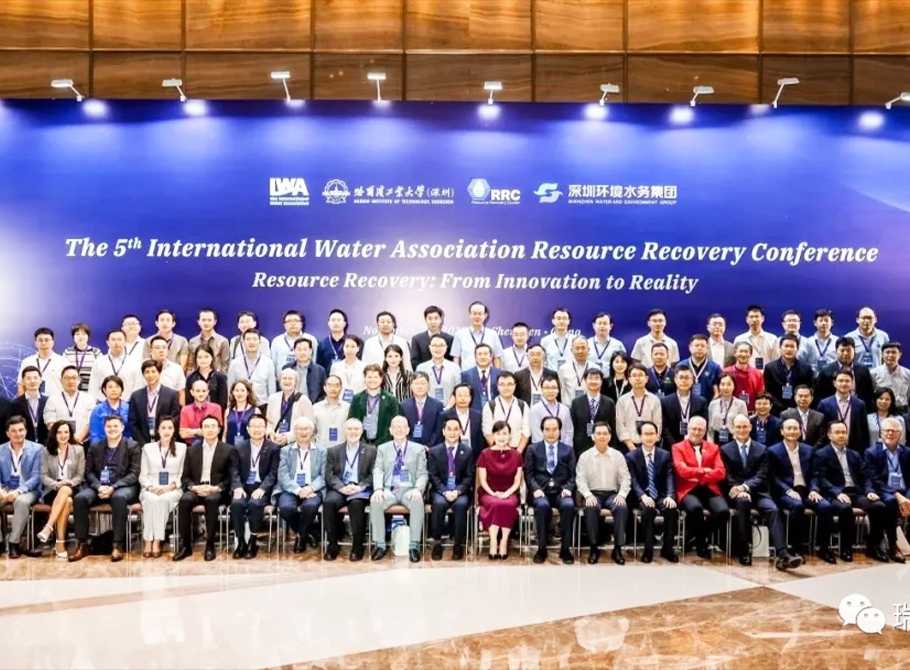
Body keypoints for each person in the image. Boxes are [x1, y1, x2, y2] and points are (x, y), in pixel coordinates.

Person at [720, 414, 801, 570]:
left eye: (745, 426)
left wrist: (745, 487)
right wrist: (739, 489)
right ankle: (744, 550)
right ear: (733, 429)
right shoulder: (725, 449)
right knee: (743, 503)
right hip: (736, 493)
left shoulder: (762, 449)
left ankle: (783, 554)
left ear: (750, 427)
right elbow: (727, 475)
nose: (742, 429)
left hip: (758, 491)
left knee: (773, 509)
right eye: (738, 427)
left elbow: (762, 475)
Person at [69, 415, 141, 562]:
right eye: (109, 426)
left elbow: (134, 474)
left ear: (122, 428)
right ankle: (82, 544)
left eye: (115, 426)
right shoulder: (95, 446)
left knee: (118, 498)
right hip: (99, 486)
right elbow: (88, 472)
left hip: (123, 486)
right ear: (104, 428)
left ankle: (117, 545)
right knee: (80, 498)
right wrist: (98, 487)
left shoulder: (132, 446)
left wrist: (113, 487)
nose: (112, 429)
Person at [815, 420, 889, 562]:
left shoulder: (854, 454)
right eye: (837, 432)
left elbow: (865, 476)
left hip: (855, 492)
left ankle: (873, 546)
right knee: (845, 509)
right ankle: (845, 548)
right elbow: (821, 478)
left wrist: (869, 491)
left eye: (844, 432)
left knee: (879, 507)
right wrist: (837, 493)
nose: (841, 435)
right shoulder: (821, 454)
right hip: (834, 493)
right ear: (829, 435)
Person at [768, 418, 836, 563]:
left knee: (826, 507)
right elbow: (773, 477)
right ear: (782, 431)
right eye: (788, 428)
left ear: (800, 432)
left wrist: (814, 489)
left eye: (795, 428)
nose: (792, 431)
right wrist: (787, 490)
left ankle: (824, 547)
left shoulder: (809, 450)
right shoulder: (773, 451)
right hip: (787, 492)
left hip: (807, 491)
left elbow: (814, 474)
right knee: (797, 506)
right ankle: (795, 548)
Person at [173, 415, 236, 562]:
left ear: (219, 429)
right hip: (197, 488)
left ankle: (210, 545)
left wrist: (216, 488)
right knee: (185, 500)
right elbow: (185, 476)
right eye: (206, 426)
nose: (209, 429)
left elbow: (230, 477)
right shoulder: (191, 450)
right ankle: (185, 546)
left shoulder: (228, 450)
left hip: (216, 491)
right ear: (201, 429)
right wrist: (193, 487)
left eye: (213, 426)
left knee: (211, 501)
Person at [369, 416, 428, 563]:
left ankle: (414, 546)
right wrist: (378, 489)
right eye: (395, 427)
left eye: (402, 427)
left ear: (408, 430)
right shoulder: (382, 448)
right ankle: (380, 545)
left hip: (409, 489)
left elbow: (422, 473)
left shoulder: (418, 449)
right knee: (375, 501)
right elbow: (378, 470)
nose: (399, 429)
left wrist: (418, 489)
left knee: (417, 501)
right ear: (390, 430)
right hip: (389, 489)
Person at [672, 416, 729, 559]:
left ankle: (699, 537)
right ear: (688, 429)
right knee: (695, 509)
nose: (696, 432)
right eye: (694, 429)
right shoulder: (677, 447)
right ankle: (701, 545)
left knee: (723, 512)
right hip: (688, 489)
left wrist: (697, 475)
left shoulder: (714, 448)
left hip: (709, 488)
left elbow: (721, 472)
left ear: (705, 431)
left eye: (700, 429)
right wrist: (704, 470)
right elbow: (682, 471)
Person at [526, 416, 577, 565]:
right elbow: (528, 474)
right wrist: (535, 488)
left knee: (568, 505)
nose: (551, 433)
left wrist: (568, 488)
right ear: (542, 431)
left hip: (561, 491)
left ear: (560, 431)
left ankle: (565, 549)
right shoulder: (532, 449)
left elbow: (574, 474)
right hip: (541, 491)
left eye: (555, 429)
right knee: (542, 506)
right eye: (547, 429)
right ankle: (542, 548)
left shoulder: (568, 450)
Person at [322, 418, 376, 561]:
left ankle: (357, 546)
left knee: (356, 504)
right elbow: (329, 475)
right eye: (349, 429)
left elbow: (374, 474)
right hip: (341, 488)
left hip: (360, 488)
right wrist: (341, 487)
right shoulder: (333, 451)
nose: (353, 432)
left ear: (362, 431)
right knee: (328, 503)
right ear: (344, 431)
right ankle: (332, 545)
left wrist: (360, 486)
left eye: (356, 429)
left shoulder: (371, 451)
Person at [625, 421, 678, 563]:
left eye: (652, 434)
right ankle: (648, 550)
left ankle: (667, 549)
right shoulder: (631, 456)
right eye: (646, 434)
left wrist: (670, 495)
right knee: (647, 511)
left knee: (671, 509)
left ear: (657, 436)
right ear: (640, 437)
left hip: (660, 495)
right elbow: (632, 480)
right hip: (642, 495)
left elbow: (669, 477)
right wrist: (642, 496)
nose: (649, 437)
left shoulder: (664, 455)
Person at [229, 414, 280, 559]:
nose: (257, 429)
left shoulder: (274, 448)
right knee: (237, 504)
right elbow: (234, 471)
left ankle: (252, 540)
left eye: (260, 426)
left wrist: (263, 488)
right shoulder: (238, 448)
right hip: (244, 487)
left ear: (265, 428)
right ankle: (241, 542)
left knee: (255, 504)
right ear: (248, 429)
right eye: (254, 426)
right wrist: (237, 487)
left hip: (262, 488)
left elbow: (273, 473)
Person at [138, 416, 186, 558]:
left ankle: (157, 541)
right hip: (150, 487)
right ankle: (148, 540)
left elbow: (183, 473)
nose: (166, 431)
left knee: (162, 500)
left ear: (174, 430)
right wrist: (150, 487)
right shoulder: (148, 448)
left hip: (173, 488)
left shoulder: (182, 448)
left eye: (170, 428)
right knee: (151, 499)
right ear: (157, 430)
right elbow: (143, 474)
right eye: (163, 428)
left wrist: (171, 487)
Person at [427, 417, 475, 561]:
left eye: (456, 429)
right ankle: (437, 543)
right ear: (443, 431)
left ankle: (458, 544)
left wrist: (458, 491)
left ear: (460, 432)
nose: (452, 432)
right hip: (440, 490)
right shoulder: (434, 451)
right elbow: (433, 475)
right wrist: (445, 491)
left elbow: (469, 476)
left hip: (460, 491)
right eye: (449, 429)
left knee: (461, 505)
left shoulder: (468, 451)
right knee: (439, 504)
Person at [276, 417, 326, 553]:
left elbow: (323, 476)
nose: (303, 432)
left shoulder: (322, 451)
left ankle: (300, 538)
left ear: (312, 431)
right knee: (285, 508)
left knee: (310, 507)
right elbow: (283, 475)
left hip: (313, 489)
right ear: (294, 431)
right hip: (291, 488)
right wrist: (298, 490)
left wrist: (310, 488)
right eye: (300, 429)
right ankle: (306, 533)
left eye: (306, 429)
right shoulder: (285, 451)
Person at [864, 417, 910, 563]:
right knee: (890, 501)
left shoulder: (907, 452)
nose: (890, 433)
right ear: (881, 433)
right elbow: (875, 479)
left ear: (900, 434)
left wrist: (907, 497)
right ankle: (893, 545)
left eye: (894, 431)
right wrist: (897, 495)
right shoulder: (872, 452)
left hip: (904, 490)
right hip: (884, 490)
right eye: (887, 430)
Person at [476, 421, 523, 559]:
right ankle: (493, 541)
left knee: (507, 504)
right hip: (488, 492)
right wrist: (493, 493)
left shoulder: (516, 455)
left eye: (504, 433)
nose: (501, 437)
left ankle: (503, 542)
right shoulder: (485, 454)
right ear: (493, 435)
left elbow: (517, 481)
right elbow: (482, 480)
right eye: (498, 434)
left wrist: (507, 493)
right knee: (495, 503)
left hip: (510, 492)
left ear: (510, 435)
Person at [38, 420, 85, 558]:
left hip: (73, 487)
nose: (63, 435)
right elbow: (43, 476)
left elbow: (80, 476)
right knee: (67, 501)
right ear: (54, 434)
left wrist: (69, 482)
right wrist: (56, 484)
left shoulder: (78, 450)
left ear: (70, 434)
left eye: (66, 432)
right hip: (52, 489)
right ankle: (60, 542)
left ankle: (48, 527)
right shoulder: (46, 451)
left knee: (65, 490)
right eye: (59, 432)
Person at [0, 416, 43, 558]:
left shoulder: (37, 449)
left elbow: (36, 476)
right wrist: (0, 490)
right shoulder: (0, 449)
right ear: (7, 433)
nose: (18, 434)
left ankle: (14, 542)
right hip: (5, 488)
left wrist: (18, 491)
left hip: (28, 489)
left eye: (21, 430)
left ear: (26, 431)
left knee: (21, 502)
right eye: (13, 431)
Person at [129, 360, 181, 446]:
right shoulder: (136, 396)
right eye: (147, 372)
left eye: (153, 371)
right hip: (142, 443)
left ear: (159, 373)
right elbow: (132, 423)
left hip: (165, 442)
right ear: (143, 375)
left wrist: (165, 440)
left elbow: (175, 419)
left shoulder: (171, 394)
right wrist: (143, 444)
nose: (150, 375)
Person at [815, 337, 875, 410]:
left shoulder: (863, 370)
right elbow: (820, 396)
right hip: (833, 410)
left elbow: (869, 395)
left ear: (854, 351)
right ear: (836, 352)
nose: (845, 353)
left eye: (849, 350)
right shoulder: (826, 371)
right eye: (842, 350)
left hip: (857, 409)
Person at [818, 370, 870, 453]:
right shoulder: (824, 404)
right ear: (834, 383)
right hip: (830, 450)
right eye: (841, 381)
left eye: (847, 381)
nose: (844, 383)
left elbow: (864, 430)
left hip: (854, 449)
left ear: (852, 384)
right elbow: (821, 430)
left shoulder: (860, 404)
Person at [569, 368, 616, 457]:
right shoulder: (576, 402)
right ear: (585, 381)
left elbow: (612, 427)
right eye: (590, 378)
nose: (593, 381)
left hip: (603, 446)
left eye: (597, 378)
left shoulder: (609, 403)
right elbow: (573, 427)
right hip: (581, 447)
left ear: (601, 381)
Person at [763, 334, 814, 414]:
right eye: (786, 346)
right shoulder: (770, 368)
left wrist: (797, 409)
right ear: (780, 348)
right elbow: (769, 393)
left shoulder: (806, 368)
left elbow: (810, 391)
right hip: (776, 411)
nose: (789, 349)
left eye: (792, 347)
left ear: (797, 349)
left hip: (800, 410)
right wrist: (783, 409)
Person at [348, 364, 399, 446]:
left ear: (381, 379)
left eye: (375, 377)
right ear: (364, 379)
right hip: (360, 443)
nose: (372, 380)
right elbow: (352, 421)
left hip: (384, 445)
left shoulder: (391, 400)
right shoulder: (357, 398)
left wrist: (378, 444)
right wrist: (362, 442)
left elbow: (393, 425)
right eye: (369, 377)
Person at [43, 365, 95, 445]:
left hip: (83, 443)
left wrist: (79, 438)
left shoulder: (88, 398)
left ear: (79, 380)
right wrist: (64, 438)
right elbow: (50, 422)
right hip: (59, 444)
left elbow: (91, 421)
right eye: (67, 378)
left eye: (74, 378)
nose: (71, 381)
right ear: (61, 380)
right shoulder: (52, 400)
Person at [615, 364, 661, 452]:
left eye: (640, 375)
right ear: (629, 379)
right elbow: (620, 426)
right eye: (634, 375)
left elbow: (658, 424)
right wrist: (631, 446)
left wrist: (648, 445)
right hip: (627, 447)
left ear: (646, 379)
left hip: (650, 446)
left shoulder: (655, 400)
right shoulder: (622, 400)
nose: (637, 378)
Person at [661, 365, 708, 450]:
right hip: (671, 447)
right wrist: (675, 446)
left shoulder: (701, 402)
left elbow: (704, 426)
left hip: (695, 446)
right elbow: (664, 428)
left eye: (687, 378)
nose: (683, 381)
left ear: (692, 380)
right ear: (675, 380)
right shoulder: (665, 402)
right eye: (681, 377)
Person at [88, 329, 143, 402]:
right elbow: (93, 387)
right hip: (103, 404)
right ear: (107, 343)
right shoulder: (99, 362)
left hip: (127, 404)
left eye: (120, 339)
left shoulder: (135, 362)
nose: (116, 342)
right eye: (113, 340)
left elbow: (138, 386)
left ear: (125, 342)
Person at [482, 372, 531, 451]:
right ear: (497, 387)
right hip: (496, 450)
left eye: (509, 384)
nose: (506, 388)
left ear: (515, 386)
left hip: (517, 450)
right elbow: (487, 432)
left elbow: (526, 432)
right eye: (502, 384)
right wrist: (499, 449)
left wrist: (517, 453)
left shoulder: (523, 405)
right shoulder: (490, 406)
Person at [227, 329, 276, 410]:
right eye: (248, 339)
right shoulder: (234, 363)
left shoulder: (268, 363)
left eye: (254, 339)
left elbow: (272, 390)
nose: (251, 342)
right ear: (243, 342)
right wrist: (229, 408)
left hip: (262, 406)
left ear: (259, 342)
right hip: (240, 407)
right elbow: (230, 388)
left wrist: (272, 409)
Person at [265, 369, 315, 446]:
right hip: (275, 442)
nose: (287, 381)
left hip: (296, 443)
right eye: (284, 378)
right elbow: (269, 421)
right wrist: (270, 433)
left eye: (290, 379)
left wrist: (288, 437)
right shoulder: (273, 399)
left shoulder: (304, 400)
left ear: (295, 382)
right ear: (280, 381)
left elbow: (310, 425)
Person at [451, 301, 503, 370]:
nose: (477, 316)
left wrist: (497, 374)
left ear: (485, 315)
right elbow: (456, 358)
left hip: (488, 375)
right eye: (474, 313)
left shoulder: (493, 334)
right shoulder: (460, 334)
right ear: (470, 315)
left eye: (480, 314)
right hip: (467, 375)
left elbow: (497, 358)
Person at [399, 373, 445, 447]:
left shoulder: (437, 405)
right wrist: (413, 446)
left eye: (423, 383)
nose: (420, 387)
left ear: (428, 386)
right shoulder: (403, 406)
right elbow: (402, 429)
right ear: (411, 386)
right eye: (416, 384)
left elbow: (438, 430)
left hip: (432, 448)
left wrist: (430, 445)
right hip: (410, 448)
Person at [17, 327, 67, 396]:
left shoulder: (63, 362)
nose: (43, 343)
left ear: (53, 342)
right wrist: (22, 402)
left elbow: (68, 385)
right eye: (40, 340)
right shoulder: (27, 362)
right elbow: (21, 385)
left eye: (47, 340)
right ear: (35, 343)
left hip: (56, 401)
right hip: (32, 401)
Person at [440, 384, 484, 460]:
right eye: (459, 395)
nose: (462, 398)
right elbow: (440, 438)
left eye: (466, 396)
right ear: (454, 398)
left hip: (473, 456)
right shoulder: (445, 415)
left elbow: (480, 440)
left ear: (470, 398)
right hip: (452, 456)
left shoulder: (477, 415)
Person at [416, 334, 462, 404]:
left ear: (446, 347)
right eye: (434, 345)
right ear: (429, 347)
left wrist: (448, 407)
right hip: (428, 408)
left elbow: (457, 391)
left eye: (441, 345)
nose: (438, 348)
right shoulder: (421, 368)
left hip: (449, 408)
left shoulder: (455, 368)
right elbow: (419, 391)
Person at [271, 310, 319, 376]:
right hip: (283, 379)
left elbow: (314, 361)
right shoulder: (277, 341)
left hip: (306, 378)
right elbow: (273, 363)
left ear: (302, 324)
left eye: (296, 320)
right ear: (284, 325)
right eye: (289, 321)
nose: (293, 324)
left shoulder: (311, 339)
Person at [733, 305, 780, 370]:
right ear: (747, 319)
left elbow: (776, 360)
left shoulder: (772, 338)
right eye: (751, 317)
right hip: (746, 374)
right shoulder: (739, 339)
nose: (754, 319)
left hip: (768, 374)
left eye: (757, 316)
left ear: (763, 318)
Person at [185, 344, 229, 412]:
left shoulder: (220, 378)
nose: (203, 360)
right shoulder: (190, 378)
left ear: (212, 358)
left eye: (206, 357)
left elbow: (223, 402)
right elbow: (189, 402)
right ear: (195, 359)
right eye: (200, 357)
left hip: (215, 415)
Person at [282, 337, 326, 404]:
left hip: (312, 406)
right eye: (299, 349)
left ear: (311, 351)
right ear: (294, 351)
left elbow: (324, 393)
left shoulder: (320, 370)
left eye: (305, 349)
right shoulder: (287, 368)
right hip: (289, 406)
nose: (302, 353)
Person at [707, 372, 748, 444]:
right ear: (719, 386)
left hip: (734, 440)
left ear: (734, 386)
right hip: (716, 440)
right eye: (722, 384)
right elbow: (710, 429)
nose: (726, 388)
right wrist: (710, 445)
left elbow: (744, 428)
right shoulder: (712, 404)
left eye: (729, 384)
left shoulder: (741, 404)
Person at [723, 342, 765, 412]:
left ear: (750, 354)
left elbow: (761, 395)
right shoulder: (726, 372)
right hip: (730, 412)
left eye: (746, 352)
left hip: (751, 413)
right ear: (735, 353)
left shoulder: (757, 374)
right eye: (741, 351)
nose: (743, 354)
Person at [530, 377, 573, 444]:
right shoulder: (535, 410)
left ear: (558, 390)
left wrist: (564, 447)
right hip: (543, 448)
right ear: (542, 390)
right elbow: (537, 435)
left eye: (554, 388)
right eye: (547, 388)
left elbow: (569, 431)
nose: (550, 391)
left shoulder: (565, 409)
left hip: (563, 447)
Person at [178, 378, 223, 443]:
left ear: (208, 392)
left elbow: (215, 431)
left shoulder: (216, 408)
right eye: (198, 391)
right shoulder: (185, 410)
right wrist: (204, 431)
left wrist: (193, 432)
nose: (201, 394)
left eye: (204, 391)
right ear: (192, 392)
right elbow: (183, 434)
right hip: (190, 447)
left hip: (211, 444)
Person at [88, 375, 131, 444]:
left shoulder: (129, 408)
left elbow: (132, 432)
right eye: (110, 387)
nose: (114, 390)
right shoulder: (98, 410)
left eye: (117, 387)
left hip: (125, 446)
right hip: (102, 446)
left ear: (121, 390)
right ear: (104, 390)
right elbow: (94, 435)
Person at [188, 307, 230, 374]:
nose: (206, 323)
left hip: (217, 378)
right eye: (203, 320)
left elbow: (225, 366)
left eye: (209, 320)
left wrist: (219, 379)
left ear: (215, 322)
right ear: (198, 322)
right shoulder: (193, 342)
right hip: (197, 378)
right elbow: (191, 365)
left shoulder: (223, 341)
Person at [680, 334, 721, 402]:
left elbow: (719, 391)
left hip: (708, 405)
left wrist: (711, 406)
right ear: (690, 347)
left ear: (707, 348)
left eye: (702, 346)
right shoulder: (681, 366)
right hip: (685, 405)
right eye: (697, 345)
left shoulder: (715, 368)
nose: (700, 348)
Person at [410, 305, 453, 370]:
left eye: (436, 318)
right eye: (430, 319)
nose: (433, 322)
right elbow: (414, 361)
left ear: (441, 319)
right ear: (425, 320)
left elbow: (451, 360)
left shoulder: (449, 339)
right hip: (423, 374)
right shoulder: (417, 339)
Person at [871, 342, 910, 413]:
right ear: (882, 354)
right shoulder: (873, 373)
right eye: (887, 352)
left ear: (900, 354)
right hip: (882, 411)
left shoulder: (908, 374)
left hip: (902, 411)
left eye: (894, 352)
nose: (890, 355)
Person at [146, 335, 187, 402]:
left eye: (164, 347)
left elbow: (181, 393)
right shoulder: (145, 368)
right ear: (151, 350)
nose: (161, 350)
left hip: (171, 405)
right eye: (157, 348)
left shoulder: (177, 369)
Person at [14, 366, 49, 445]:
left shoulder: (49, 401)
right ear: (23, 381)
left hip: (46, 445)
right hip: (25, 445)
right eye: (28, 378)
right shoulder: (15, 404)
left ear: (41, 380)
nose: (32, 381)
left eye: (35, 378)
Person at [313, 376, 350, 447]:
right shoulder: (316, 408)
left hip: (342, 449)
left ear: (341, 388)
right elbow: (312, 431)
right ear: (324, 388)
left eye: (336, 385)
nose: (333, 389)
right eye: (330, 385)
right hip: (321, 448)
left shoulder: (348, 407)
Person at [63, 323, 101, 392]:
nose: (80, 336)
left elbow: (100, 372)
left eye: (83, 334)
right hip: (72, 389)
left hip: (91, 391)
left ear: (88, 336)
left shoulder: (95, 352)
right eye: (77, 334)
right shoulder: (67, 352)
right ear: (73, 337)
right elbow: (63, 371)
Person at [462, 344, 501, 410]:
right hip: (474, 412)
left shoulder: (500, 374)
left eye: (485, 354)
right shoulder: (466, 375)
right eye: (479, 354)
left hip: (496, 411)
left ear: (491, 357)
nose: (482, 357)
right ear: (475, 357)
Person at [798, 309, 839, 373]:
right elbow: (800, 361)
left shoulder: (837, 342)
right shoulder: (807, 342)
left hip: (832, 376)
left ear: (832, 323)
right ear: (815, 323)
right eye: (820, 320)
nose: (823, 323)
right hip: (811, 376)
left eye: (826, 320)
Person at [223, 380, 261, 447]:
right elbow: (225, 433)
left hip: (248, 448)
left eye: (242, 390)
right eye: (236, 390)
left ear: (248, 392)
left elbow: (259, 432)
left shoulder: (255, 410)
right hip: (230, 448)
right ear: (233, 392)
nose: (239, 393)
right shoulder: (228, 411)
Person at [329, 334, 365, 402]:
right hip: (339, 404)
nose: (349, 350)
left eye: (353, 346)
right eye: (347, 346)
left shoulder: (364, 367)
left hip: (358, 404)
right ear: (343, 348)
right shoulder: (335, 367)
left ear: (358, 348)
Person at [558, 336, 592, 405]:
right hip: (569, 408)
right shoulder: (563, 369)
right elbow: (562, 391)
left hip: (589, 408)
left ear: (588, 349)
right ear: (571, 350)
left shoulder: (594, 368)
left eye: (583, 348)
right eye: (577, 348)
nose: (580, 351)